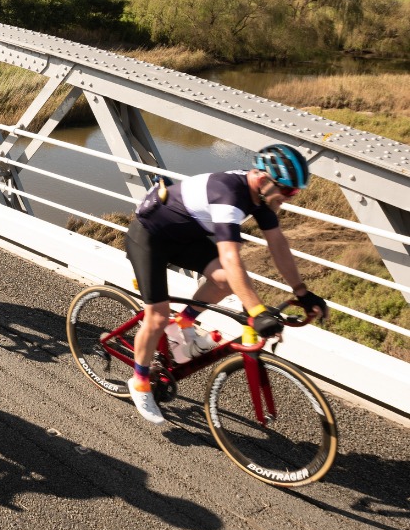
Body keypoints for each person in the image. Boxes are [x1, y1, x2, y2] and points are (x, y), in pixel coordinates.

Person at [123, 143, 328, 426]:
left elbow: (278, 245)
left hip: (185, 237)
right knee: (157, 315)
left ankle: (181, 325)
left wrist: (302, 292)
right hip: (149, 238)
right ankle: (140, 382)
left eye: (295, 192)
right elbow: (230, 257)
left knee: (223, 282)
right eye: (289, 191)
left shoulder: (261, 196)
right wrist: (256, 311)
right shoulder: (229, 193)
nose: (290, 198)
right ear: (264, 179)